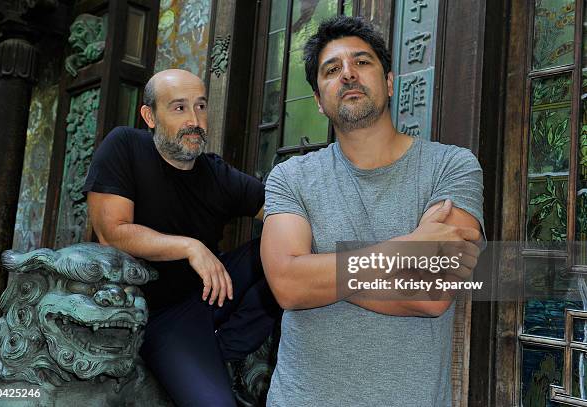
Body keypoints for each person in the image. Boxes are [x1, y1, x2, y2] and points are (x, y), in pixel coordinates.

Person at [261, 16, 484, 406]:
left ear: (390, 83)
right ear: (317, 99)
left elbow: (431, 294)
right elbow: (287, 286)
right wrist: (410, 246)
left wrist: (316, 267)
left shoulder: (451, 167)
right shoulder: (290, 177)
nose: (348, 74)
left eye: (362, 62)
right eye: (332, 70)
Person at [83, 69, 280, 407]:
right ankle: (200, 356)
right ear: (150, 115)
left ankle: (223, 348)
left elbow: (281, 213)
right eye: (179, 108)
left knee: (280, 247)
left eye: (201, 107)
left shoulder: (216, 173)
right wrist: (189, 247)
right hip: (158, 315)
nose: (195, 120)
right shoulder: (125, 147)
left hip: (213, 294)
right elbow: (112, 232)